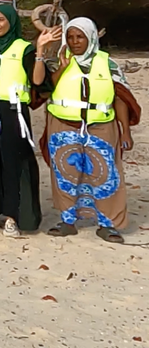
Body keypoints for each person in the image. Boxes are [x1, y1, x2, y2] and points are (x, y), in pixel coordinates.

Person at [42, 17, 141, 243]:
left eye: (80, 37)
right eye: (70, 37)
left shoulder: (108, 64)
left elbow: (120, 98)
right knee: (65, 174)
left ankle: (107, 224)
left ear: (92, 38)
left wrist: (125, 131)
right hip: (63, 126)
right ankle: (67, 221)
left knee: (106, 175)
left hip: (101, 126)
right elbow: (45, 91)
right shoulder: (58, 62)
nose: (75, 42)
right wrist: (62, 68)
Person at [0, 5, 58, 237]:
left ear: (10, 21)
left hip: (13, 112)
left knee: (14, 163)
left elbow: (37, 81)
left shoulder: (24, 48)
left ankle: (13, 216)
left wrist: (40, 50)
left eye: (0, 20)